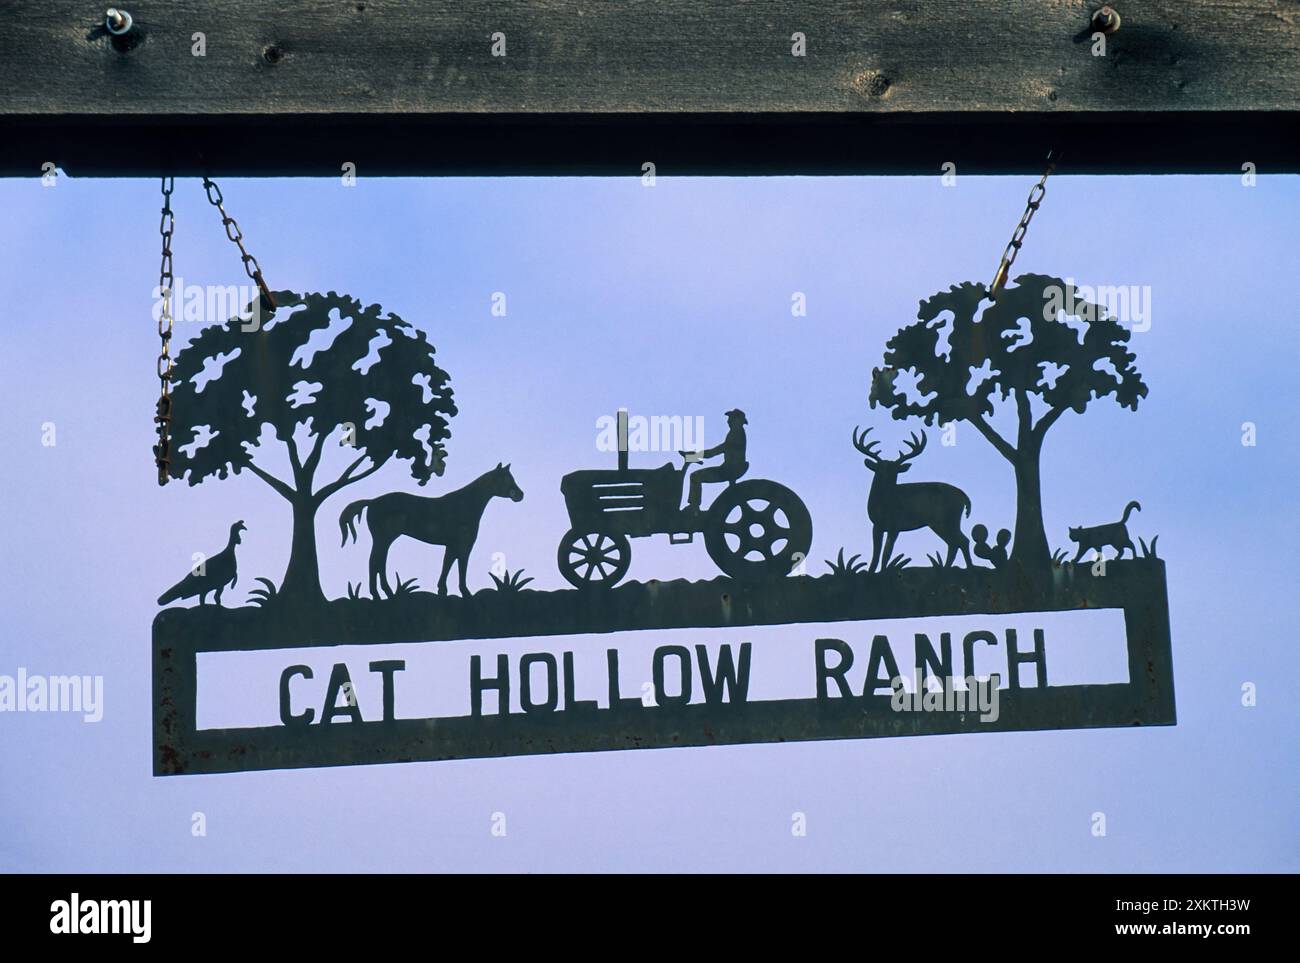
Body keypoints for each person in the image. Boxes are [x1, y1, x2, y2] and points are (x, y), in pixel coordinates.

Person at [682, 408, 749, 511]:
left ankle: (694, 507)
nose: (728, 421)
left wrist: (692, 456)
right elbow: (716, 451)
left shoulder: (736, 435)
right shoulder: (735, 434)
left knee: (696, 476)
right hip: (729, 469)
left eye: (731, 419)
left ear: (737, 421)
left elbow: (714, 452)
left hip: (729, 470)